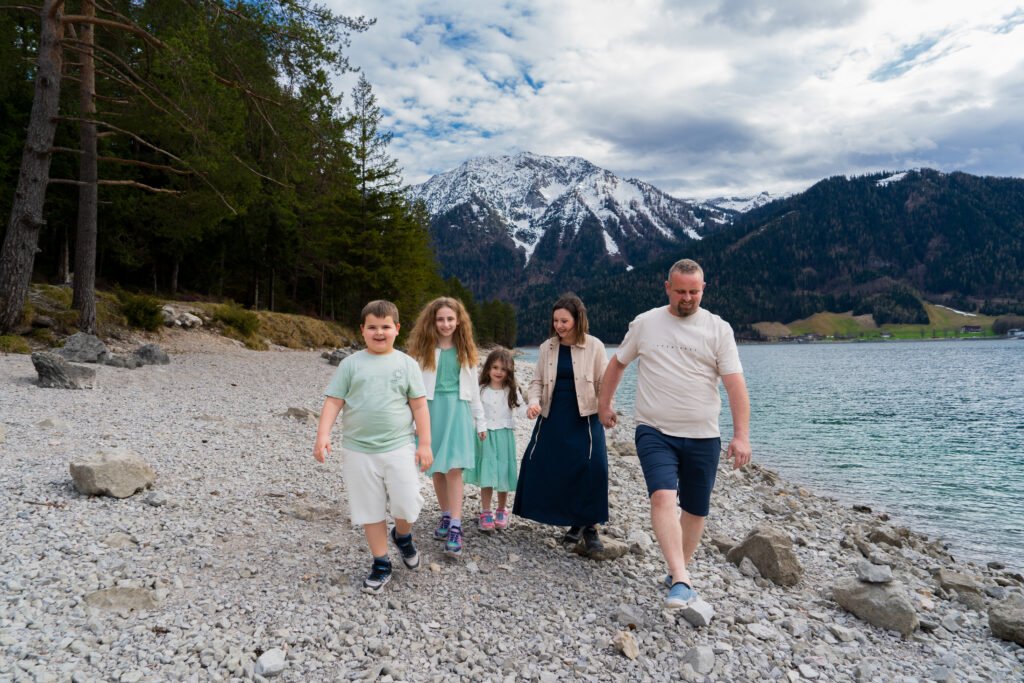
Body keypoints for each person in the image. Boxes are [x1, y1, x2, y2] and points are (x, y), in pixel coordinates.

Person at [598, 258, 752, 609]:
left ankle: (676, 570)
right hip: (655, 430)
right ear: (667, 287)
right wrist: (605, 404)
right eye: (680, 291)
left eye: (694, 292)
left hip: (703, 434)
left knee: (696, 509)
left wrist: (741, 435)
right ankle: (682, 579)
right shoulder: (646, 324)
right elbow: (617, 364)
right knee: (663, 497)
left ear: (703, 289)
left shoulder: (718, 329)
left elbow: (735, 386)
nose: (686, 298)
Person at [312, 300, 433, 595]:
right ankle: (381, 562)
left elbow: (419, 406)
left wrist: (425, 444)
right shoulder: (351, 364)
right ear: (363, 330)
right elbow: (334, 401)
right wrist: (323, 434)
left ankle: (402, 536)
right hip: (358, 449)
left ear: (397, 329)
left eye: (385, 327)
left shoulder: (406, 364)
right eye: (373, 327)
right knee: (370, 508)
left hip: (399, 446)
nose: (379, 332)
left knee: (407, 502)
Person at [513, 293, 610, 554]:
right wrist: (533, 402)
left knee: (591, 468)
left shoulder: (595, 346)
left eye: (564, 321)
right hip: (553, 416)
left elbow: (605, 382)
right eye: (556, 320)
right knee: (539, 464)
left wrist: (606, 409)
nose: (559, 325)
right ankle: (571, 520)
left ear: (578, 320)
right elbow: (536, 382)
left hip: (586, 416)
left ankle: (589, 527)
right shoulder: (547, 347)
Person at [407, 297, 486, 557]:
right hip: (430, 411)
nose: (445, 324)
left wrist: (480, 420)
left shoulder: (465, 348)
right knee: (436, 468)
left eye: (450, 319)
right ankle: (445, 513)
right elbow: (412, 389)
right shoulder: (422, 349)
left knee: (454, 468)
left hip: (458, 410)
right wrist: (411, 420)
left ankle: (456, 525)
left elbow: (474, 389)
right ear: (432, 321)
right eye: (440, 319)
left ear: (458, 321)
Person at [464, 347, 525, 532]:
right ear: (488, 368)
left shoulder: (511, 390)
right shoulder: (481, 390)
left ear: (509, 372)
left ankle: (501, 509)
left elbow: (521, 409)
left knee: (503, 471)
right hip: (486, 435)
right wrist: (479, 427)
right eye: (495, 367)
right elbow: (476, 411)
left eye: (503, 369)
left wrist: (532, 410)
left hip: (505, 435)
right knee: (488, 473)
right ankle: (485, 511)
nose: (498, 372)